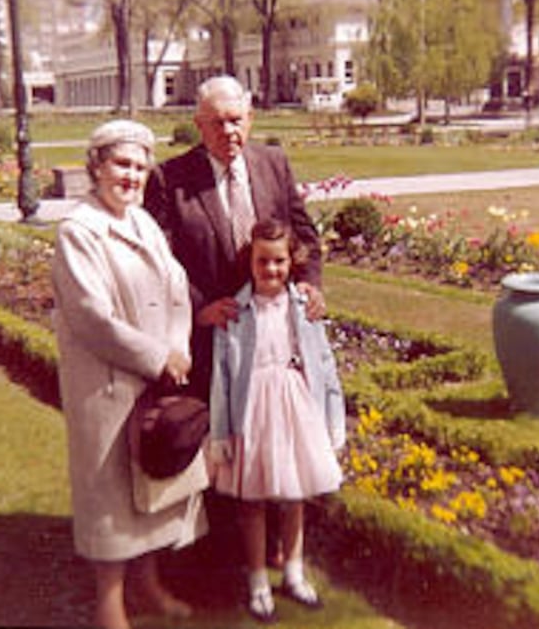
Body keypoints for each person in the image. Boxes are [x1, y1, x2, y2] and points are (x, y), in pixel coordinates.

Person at [52, 119, 207, 629]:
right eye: (122, 164)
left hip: (157, 377)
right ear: (95, 166)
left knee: (151, 492)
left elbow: (179, 289)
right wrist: (155, 356)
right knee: (110, 500)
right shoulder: (79, 231)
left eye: (140, 167)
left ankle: (149, 587)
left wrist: (178, 347)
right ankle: (109, 605)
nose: (132, 176)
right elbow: (92, 318)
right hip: (108, 385)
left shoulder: (143, 223)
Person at [143, 75, 325, 403]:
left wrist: (310, 283)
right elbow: (159, 264)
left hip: (275, 335)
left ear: (250, 118)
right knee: (223, 441)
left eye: (235, 120)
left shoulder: (273, 163)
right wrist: (199, 311)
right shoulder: (170, 179)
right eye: (216, 123)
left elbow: (304, 235)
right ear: (199, 125)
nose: (228, 131)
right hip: (213, 339)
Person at [208, 219, 345, 623]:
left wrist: (332, 419)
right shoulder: (236, 311)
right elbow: (222, 376)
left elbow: (324, 364)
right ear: (250, 262)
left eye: (279, 261)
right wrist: (221, 432)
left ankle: (293, 571)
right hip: (252, 410)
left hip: (294, 405)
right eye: (263, 262)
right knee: (252, 500)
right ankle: (257, 581)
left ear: (292, 261)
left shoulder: (303, 306)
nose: (271, 270)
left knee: (293, 496)